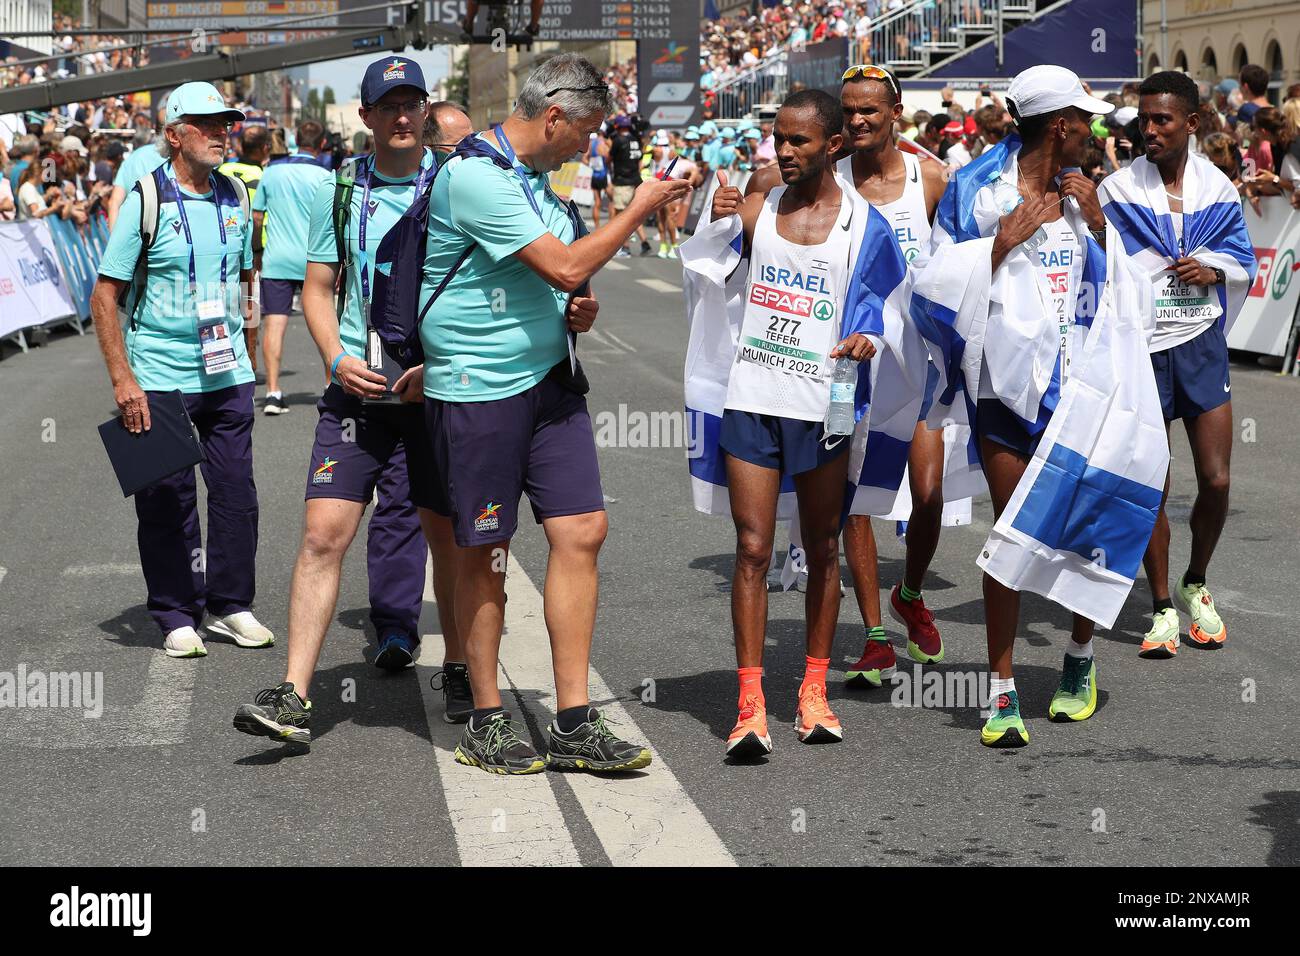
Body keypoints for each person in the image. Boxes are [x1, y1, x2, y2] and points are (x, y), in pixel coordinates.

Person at [419, 53, 688, 774]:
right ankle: (485, 716)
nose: (589, 146)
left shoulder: (539, 184)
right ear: (554, 116)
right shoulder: (474, 175)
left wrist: (572, 311)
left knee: (583, 531)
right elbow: (566, 264)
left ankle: (572, 721)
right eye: (586, 132)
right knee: (488, 553)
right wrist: (640, 208)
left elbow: (561, 280)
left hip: (549, 383)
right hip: (479, 391)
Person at [233, 57, 468, 749]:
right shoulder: (339, 190)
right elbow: (316, 285)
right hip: (357, 395)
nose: (401, 117)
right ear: (364, 117)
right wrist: (336, 358)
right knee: (321, 535)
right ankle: (295, 694)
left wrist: (444, 361)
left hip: (438, 391)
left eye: (411, 104)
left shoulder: (455, 185)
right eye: (386, 106)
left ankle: (457, 665)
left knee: (450, 541)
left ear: (425, 112)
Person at [692, 89, 898, 760]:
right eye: (778, 138)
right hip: (754, 393)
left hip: (826, 401)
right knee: (752, 549)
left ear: (833, 145)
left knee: (823, 547)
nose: (783, 150)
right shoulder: (758, 206)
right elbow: (705, 273)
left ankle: (813, 691)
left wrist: (868, 336)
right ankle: (750, 703)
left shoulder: (867, 226)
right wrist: (714, 221)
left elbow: (887, 307)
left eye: (799, 141)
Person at [914, 65, 1114, 747]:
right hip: (1003, 391)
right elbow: (932, 288)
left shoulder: (1085, 191)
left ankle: (1079, 660)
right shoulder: (974, 187)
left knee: (1080, 530)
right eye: (1086, 120)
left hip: (1078, 387)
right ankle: (1001, 692)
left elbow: (1113, 296)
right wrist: (998, 245)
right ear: (1060, 126)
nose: (1094, 132)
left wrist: (1099, 225)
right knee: (1014, 536)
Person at [89, 81, 272, 659]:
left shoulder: (236, 196)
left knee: (236, 494)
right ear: (174, 134)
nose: (223, 132)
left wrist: (248, 350)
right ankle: (174, 611)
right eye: (209, 123)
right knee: (166, 500)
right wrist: (123, 380)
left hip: (227, 376)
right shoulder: (147, 198)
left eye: (227, 123)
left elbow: (246, 277)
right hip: (160, 375)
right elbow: (105, 295)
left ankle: (231, 604)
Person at [1098, 71, 1257, 659]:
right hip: (1142, 347)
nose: (1150, 129)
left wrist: (1214, 271)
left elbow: (1242, 259)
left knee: (1216, 479)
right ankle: (1162, 604)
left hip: (1199, 341)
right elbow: (1105, 260)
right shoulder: (1118, 193)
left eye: (1163, 120)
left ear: (1191, 123)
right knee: (1152, 483)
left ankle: (1196, 579)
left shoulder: (1218, 191)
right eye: (1145, 119)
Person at [821, 65, 952, 689]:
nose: (857, 121)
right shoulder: (830, 177)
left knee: (928, 493)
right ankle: (875, 635)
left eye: (869, 110)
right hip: (851, 360)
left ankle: (911, 591)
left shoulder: (930, 177)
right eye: (848, 111)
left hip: (919, 362)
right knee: (854, 499)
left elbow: (962, 259)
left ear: (894, 111)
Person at [251, 120, 334, 415]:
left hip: (277, 257)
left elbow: (257, 217)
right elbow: (335, 221)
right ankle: (329, 387)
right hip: (316, 258)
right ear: (322, 143)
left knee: (274, 323)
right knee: (325, 323)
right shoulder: (325, 175)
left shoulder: (271, 173)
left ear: (296, 140)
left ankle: (273, 392)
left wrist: (257, 250)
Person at [108, 113, 167, 229]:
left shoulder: (132, 158)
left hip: (133, 233)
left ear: (154, 128)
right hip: (165, 233)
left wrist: (115, 240)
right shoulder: (177, 160)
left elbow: (114, 203)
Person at [608, 115, 650, 256]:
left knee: (622, 217)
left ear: (618, 127)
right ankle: (644, 241)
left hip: (622, 181)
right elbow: (639, 161)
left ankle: (625, 247)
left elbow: (609, 158)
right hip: (636, 180)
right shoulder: (635, 140)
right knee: (634, 215)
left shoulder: (618, 140)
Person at [585, 125, 611, 227]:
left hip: (595, 175)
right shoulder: (604, 142)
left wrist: (592, 165)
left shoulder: (592, 143)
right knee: (613, 200)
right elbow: (608, 157)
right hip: (604, 175)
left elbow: (584, 158)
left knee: (597, 202)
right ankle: (611, 226)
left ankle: (597, 227)